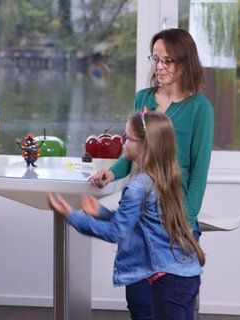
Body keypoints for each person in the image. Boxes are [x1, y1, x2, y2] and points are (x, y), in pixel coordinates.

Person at [88, 28, 214, 320]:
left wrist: (187, 224)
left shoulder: (200, 109)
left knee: (171, 301)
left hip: (174, 217)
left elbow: (198, 172)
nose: (159, 67)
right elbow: (131, 153)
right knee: (139, 300)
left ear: (185, 62)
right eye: (155, 59)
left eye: (168, 60)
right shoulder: (143, 98)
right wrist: (112, 173)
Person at [48, 111, 206, 320]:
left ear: (145, 145)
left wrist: (71, 215)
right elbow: (139, 222)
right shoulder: (165, 179)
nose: (122, 143)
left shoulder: (138, 186)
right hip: (187, 275)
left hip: (168, 282)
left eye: (126, 138)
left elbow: (117, 232)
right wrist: (100, 213)